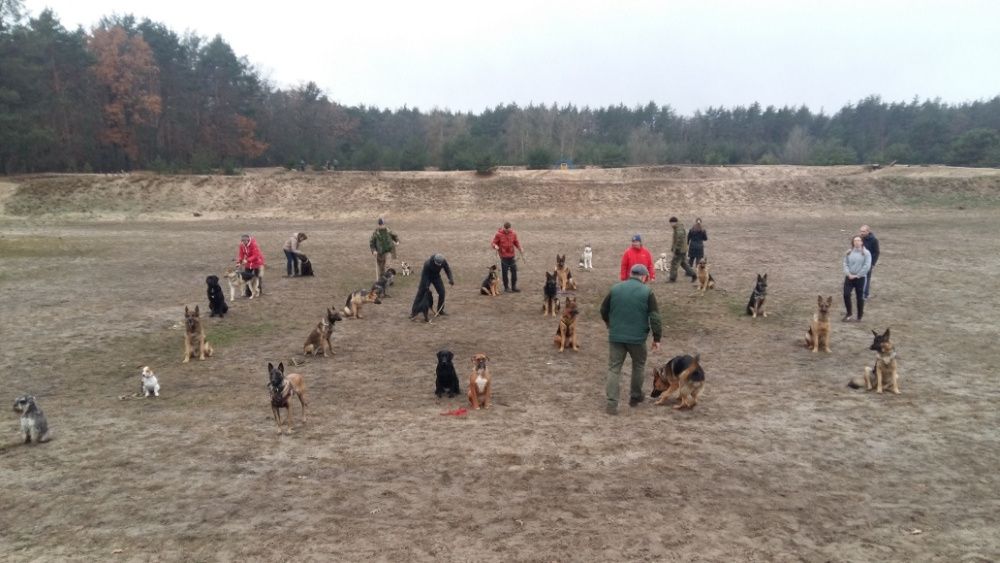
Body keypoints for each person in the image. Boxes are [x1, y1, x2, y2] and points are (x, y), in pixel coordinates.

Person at [601, 264, 662, 415]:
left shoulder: (615, 289)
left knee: (614, 369)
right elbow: (655, 317)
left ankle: (611, 404)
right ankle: (635, 396)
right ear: (644, 277)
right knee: (639, 365)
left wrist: (609, 323)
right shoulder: (648, 292)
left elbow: (603, 309)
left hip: (616, 336)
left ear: (631, 274)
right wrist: (657, 338)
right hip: (637, 339)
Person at [411, 253, 454, 318]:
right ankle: (414, 312)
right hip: (427, 276)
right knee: (421, 293)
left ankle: (440, 310)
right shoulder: (427, 264)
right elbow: (424, 276)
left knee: (442, 292)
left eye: (439, 264)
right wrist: (426, 286)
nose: (438, 266)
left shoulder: (443, 261)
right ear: (434, 261)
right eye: (437, 264)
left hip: (436, 277)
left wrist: (450, 278)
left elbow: (447, 269)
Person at [842, 235, 872, 322]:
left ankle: (859, 316)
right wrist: (848, 274)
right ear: (853, 242)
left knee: (860, 297)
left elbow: (867, 266)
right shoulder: (849, 252)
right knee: (846, 294)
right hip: (849, 277)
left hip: (860, 278)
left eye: (858, 240)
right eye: (855, 241)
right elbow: (845, 263)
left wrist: (857, 275)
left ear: (862, 242)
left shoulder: (866, 253)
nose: (857, 242)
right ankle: (849, 313)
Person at [491, 221, 523, 292]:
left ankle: (514, 286)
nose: (507, 231)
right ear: (504, 228)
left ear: (510, 228)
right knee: (505, 272)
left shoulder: (513, 234)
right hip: (503, 257)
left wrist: (520, 248)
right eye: (505, 230)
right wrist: (495, 246)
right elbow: (493, 243)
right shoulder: (498, 234)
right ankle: (506, 288)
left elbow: (516, 242)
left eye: (508, 230)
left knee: (514, 271)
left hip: (512, 256)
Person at [668, 216, 697, 282]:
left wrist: (677, 249)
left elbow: (679, 239)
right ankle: (693, 275)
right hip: (682, 249)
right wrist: (673, 248)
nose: (670, 225)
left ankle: (672, 278)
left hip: (680, 250)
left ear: (674, 222)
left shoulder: (679, 229)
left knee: (674, 263)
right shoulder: (677, 228)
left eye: (671, 223)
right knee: (684, 263)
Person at [859, 224, 880, 301]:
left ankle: (865, 295)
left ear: (868, 231)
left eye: (863, 231)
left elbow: (877, 252)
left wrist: (872, 263)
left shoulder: (874, 240)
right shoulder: (860, 238)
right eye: (861, 231)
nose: (861, 233)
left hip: (868, 263)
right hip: (859, 261)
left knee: (866, 279)